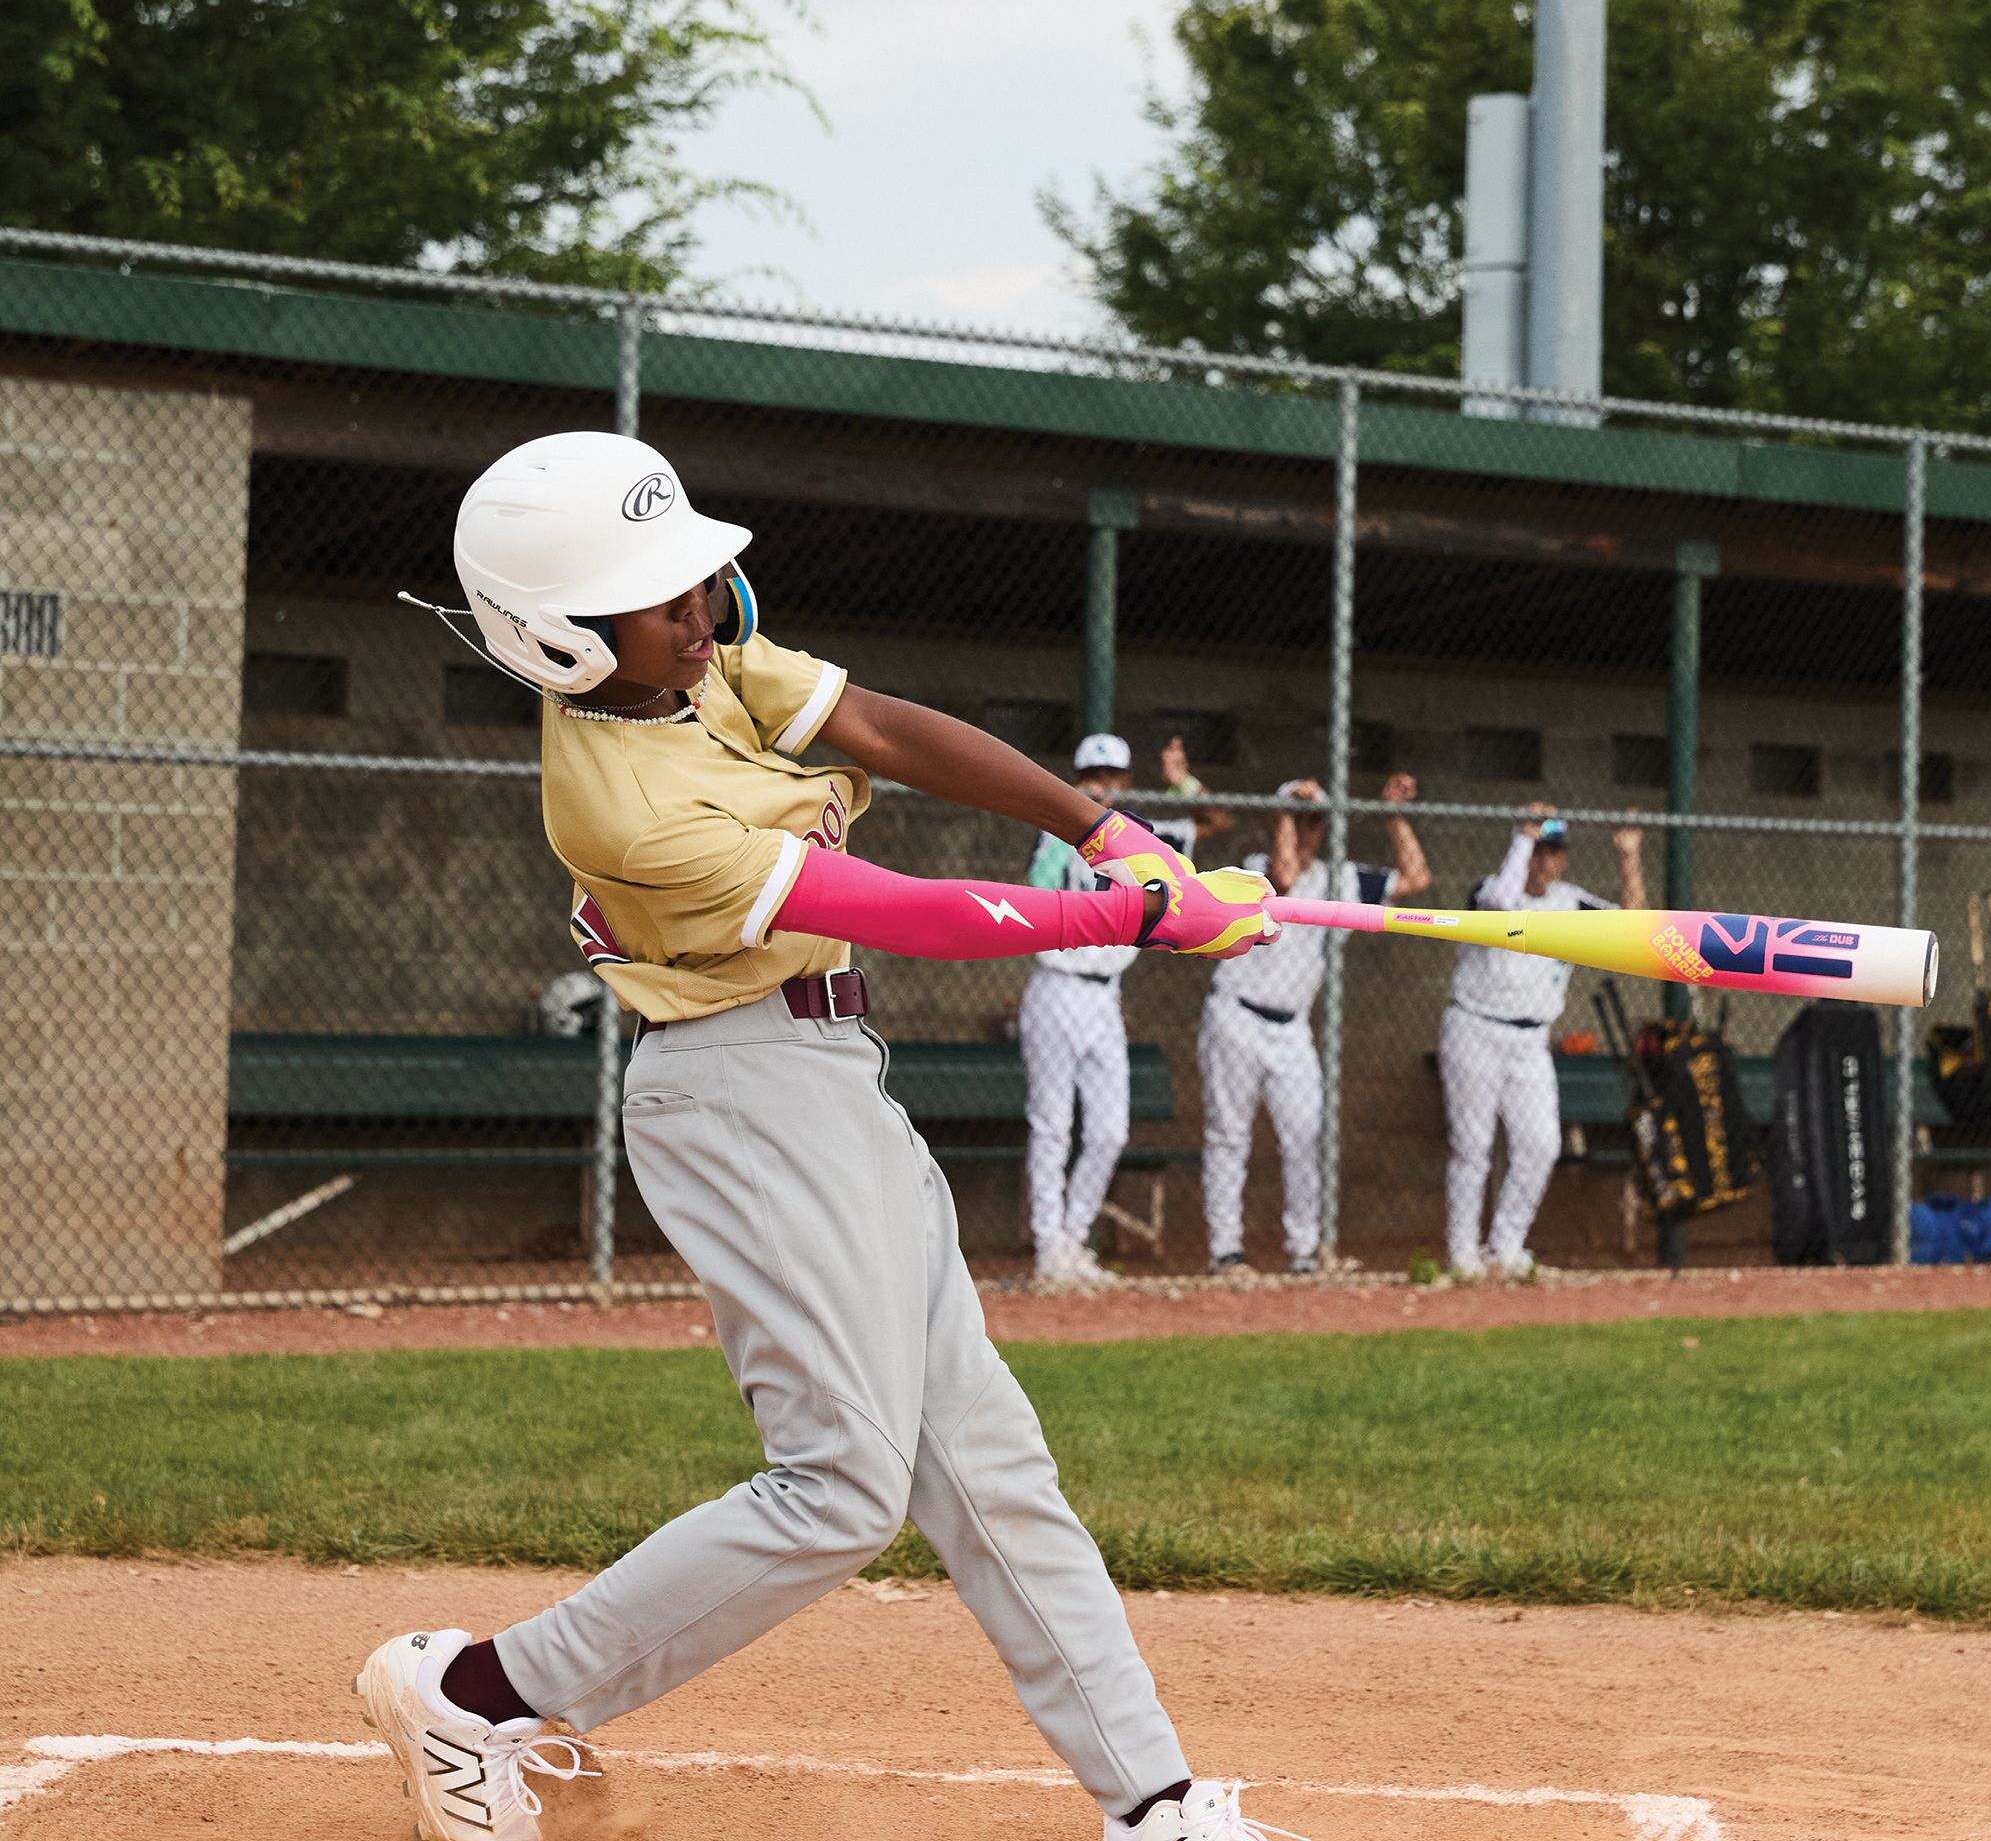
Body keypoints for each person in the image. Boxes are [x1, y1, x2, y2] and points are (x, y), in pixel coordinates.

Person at [363, 431, 1302, 1841]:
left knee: (986, 1460)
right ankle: (486, 1696)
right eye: (661, 594)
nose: (705, 604)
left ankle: (1151, 1804)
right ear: (558, 638)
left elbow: (885, 732)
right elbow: (889, 904)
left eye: (694, 579)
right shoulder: (621, 802)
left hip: (827, 1075)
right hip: (735, 1094)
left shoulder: (697, 665)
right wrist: (1125, 921)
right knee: (843, 1483)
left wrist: (1108, 835)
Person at [1199, 774, 1429, 1275]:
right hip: (1236, 1014)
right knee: (1228, 1136)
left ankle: (1305, 1251)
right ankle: (1225, 1251)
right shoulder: (1253, 871)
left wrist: (1393, 817)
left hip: (1292, 1028)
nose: (1308, 832)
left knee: (1306, 1135)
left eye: (1316, 823)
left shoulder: (1340, 879)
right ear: (1277, 822)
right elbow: (1284, 875)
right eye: (1299, 821)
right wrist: (1285, 808)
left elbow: (1416, 878)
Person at [1019, 733, 1210, 1283]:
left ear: (1127, 781)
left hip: (1105, 996)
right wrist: (1074, 821)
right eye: (1091, 777)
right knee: (1052, 1124)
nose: (1101, 787)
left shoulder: (1143, 835)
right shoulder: (1055, 831)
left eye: (1111, 778)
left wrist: (1185, 781)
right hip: (1057, 984)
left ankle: (1073, 1241)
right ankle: (1047, 1249)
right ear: (1076, 778)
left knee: (1109, 1130)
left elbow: (1214, 820)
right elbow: (1036, 886)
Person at [1438, 801, 1645, 1279]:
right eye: (1537, 849)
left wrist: (1628, 855)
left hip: (1531, 1039)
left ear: (1564, 858)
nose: (1543, 861)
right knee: (1472, 1145)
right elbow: (1503, 903)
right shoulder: (1490, 889)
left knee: (1541, 1143)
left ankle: (1505, 1249)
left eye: (1553, 851)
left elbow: (1634, 926)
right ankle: (1462, 1255)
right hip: (1475, 1026)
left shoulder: (1570, 903)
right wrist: (1523, 835)